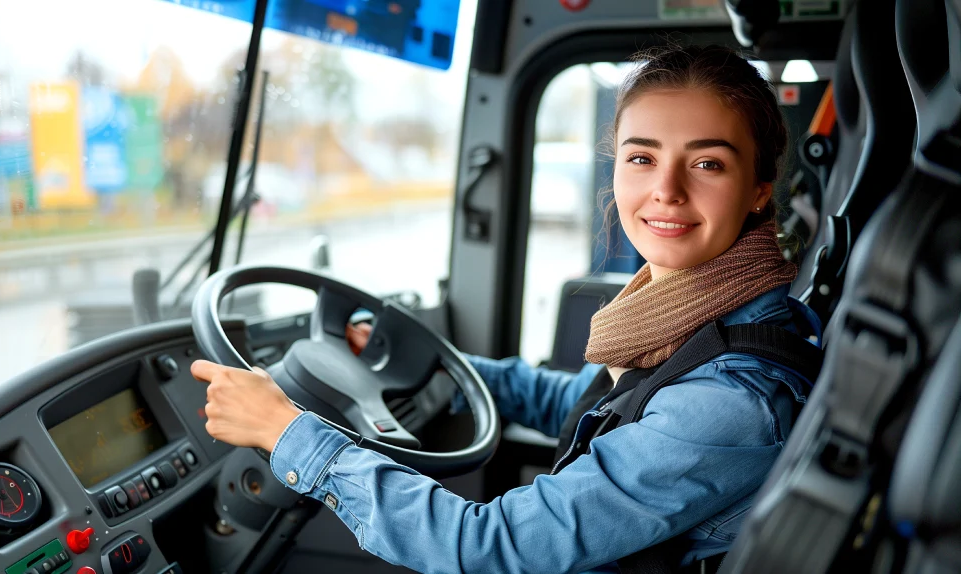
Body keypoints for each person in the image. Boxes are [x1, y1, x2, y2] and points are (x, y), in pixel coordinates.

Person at [190, 44, 823, 573]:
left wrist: (288, 434)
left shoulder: (728, 400)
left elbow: (482, 546)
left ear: (759, 190)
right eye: (642, 157)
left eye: (707, 163)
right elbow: (579, 404)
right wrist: (443, 366)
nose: (666, 190)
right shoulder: (688, 321)